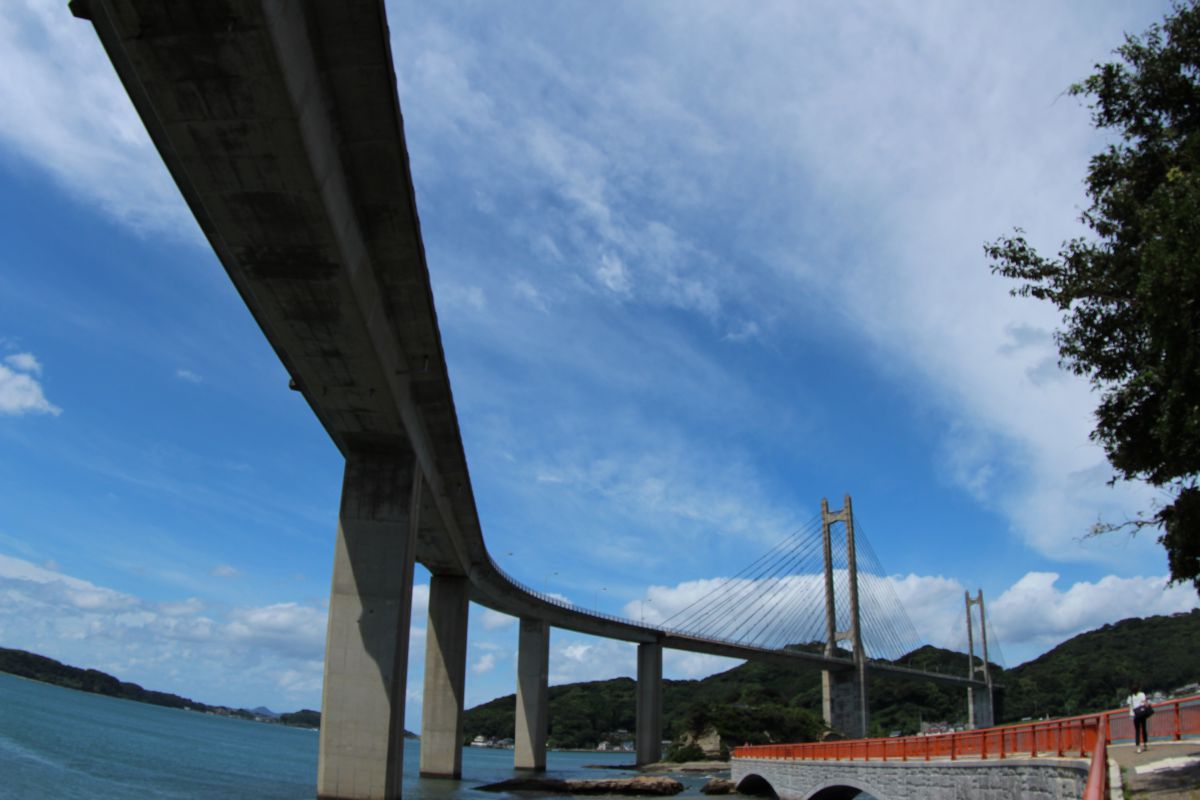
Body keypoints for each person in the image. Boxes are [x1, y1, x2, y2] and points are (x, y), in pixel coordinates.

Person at [1127, 683, 1151, 753]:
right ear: (1138, 689)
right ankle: (1145, 744)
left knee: (1137, 731)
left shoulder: (1130, 697)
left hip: (1135, 715)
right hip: (1142, 713)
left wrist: (1131, 715)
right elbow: (1145, 703)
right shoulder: (1142, 694)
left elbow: (1130, 707)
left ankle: (1138, 747)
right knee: (1144, 728)